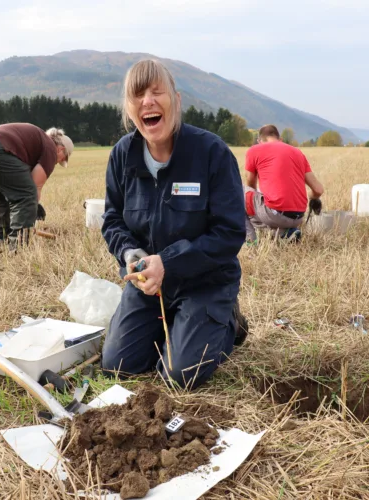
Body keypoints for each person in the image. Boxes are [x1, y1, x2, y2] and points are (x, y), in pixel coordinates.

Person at [100, 59, 249, 391]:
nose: (148, 102)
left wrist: (168, 262)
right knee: (117, 366)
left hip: (204, 282)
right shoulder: (122, 156)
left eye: (157, 92)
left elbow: (230, 233)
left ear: (176, 101)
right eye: (138, 95)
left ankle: (226, 322)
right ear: (128, 108)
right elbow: (111, 220)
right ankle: (174, 329)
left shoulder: (211, 153)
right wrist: (129, 253)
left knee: (180, 374)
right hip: (148, 286)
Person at [0, 123, 73, 249]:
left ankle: (0, 242)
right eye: (61, 159)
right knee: (26, 196)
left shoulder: (38, 139)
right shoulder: (50, 148)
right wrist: (32, 206)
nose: (57, 162)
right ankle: (18, 249)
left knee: (0, 197)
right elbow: (33, 187)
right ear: (60, 149)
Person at [244, 125, 324, 243]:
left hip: (274, 215)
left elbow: (250, 185)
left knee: (238, 192)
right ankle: (284, 233)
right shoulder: (298, 153)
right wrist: (312, 197)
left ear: (259, 141)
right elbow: (318, 189)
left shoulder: (255, 150)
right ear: (280, 139)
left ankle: (251, 241)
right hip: (298, 217)